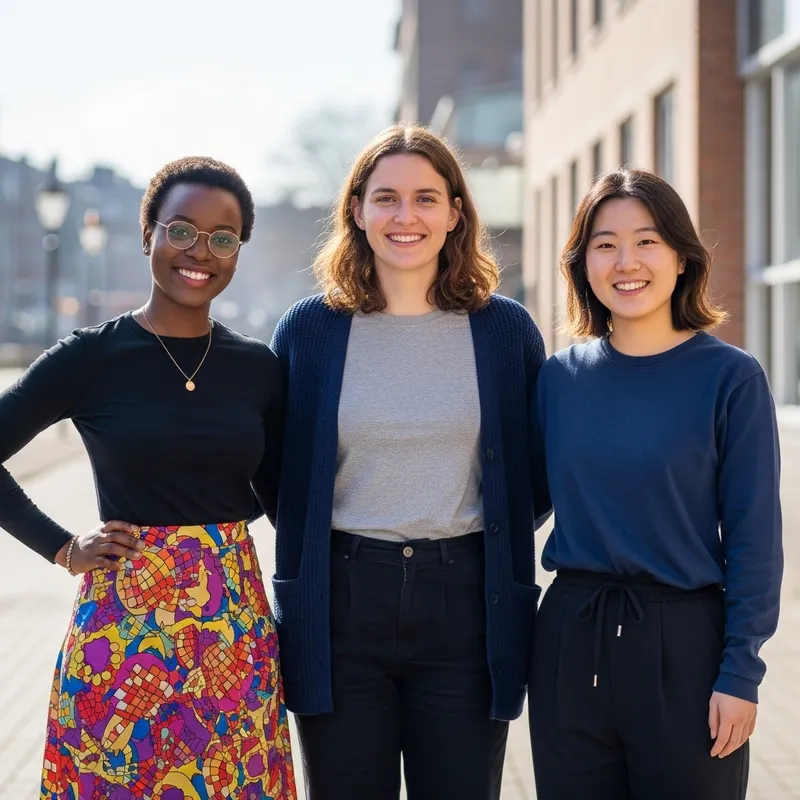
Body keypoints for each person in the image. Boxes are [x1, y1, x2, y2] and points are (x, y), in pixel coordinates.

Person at [0, 156, 296, 799]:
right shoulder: (90, 358)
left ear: (238, 253)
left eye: (224, 238)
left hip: (231, 633)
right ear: (148, 235)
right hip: (121, 634)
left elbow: (288, 505)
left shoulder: (258, 370)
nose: (201, 252)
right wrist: (60, 547)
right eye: (182, 229)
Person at [269, 123, 550, 800]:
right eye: (386, 197)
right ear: (357, 212)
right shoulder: (308, 329)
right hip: (340, 607)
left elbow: (532, 475)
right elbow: (278, 473)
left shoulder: (505, 329)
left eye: (426, 198)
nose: (406, 216)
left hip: (467, 607)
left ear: (456, 213)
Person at [529, 168, 783, 800]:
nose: (626, 261)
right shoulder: (558, 379)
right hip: (571, 639)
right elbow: (519, 504)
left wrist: (741, 673)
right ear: (582, 262)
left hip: (688, 650)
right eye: (604, 243)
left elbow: (755, 539)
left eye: (646, 241)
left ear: (680, 256)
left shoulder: (732, 378)